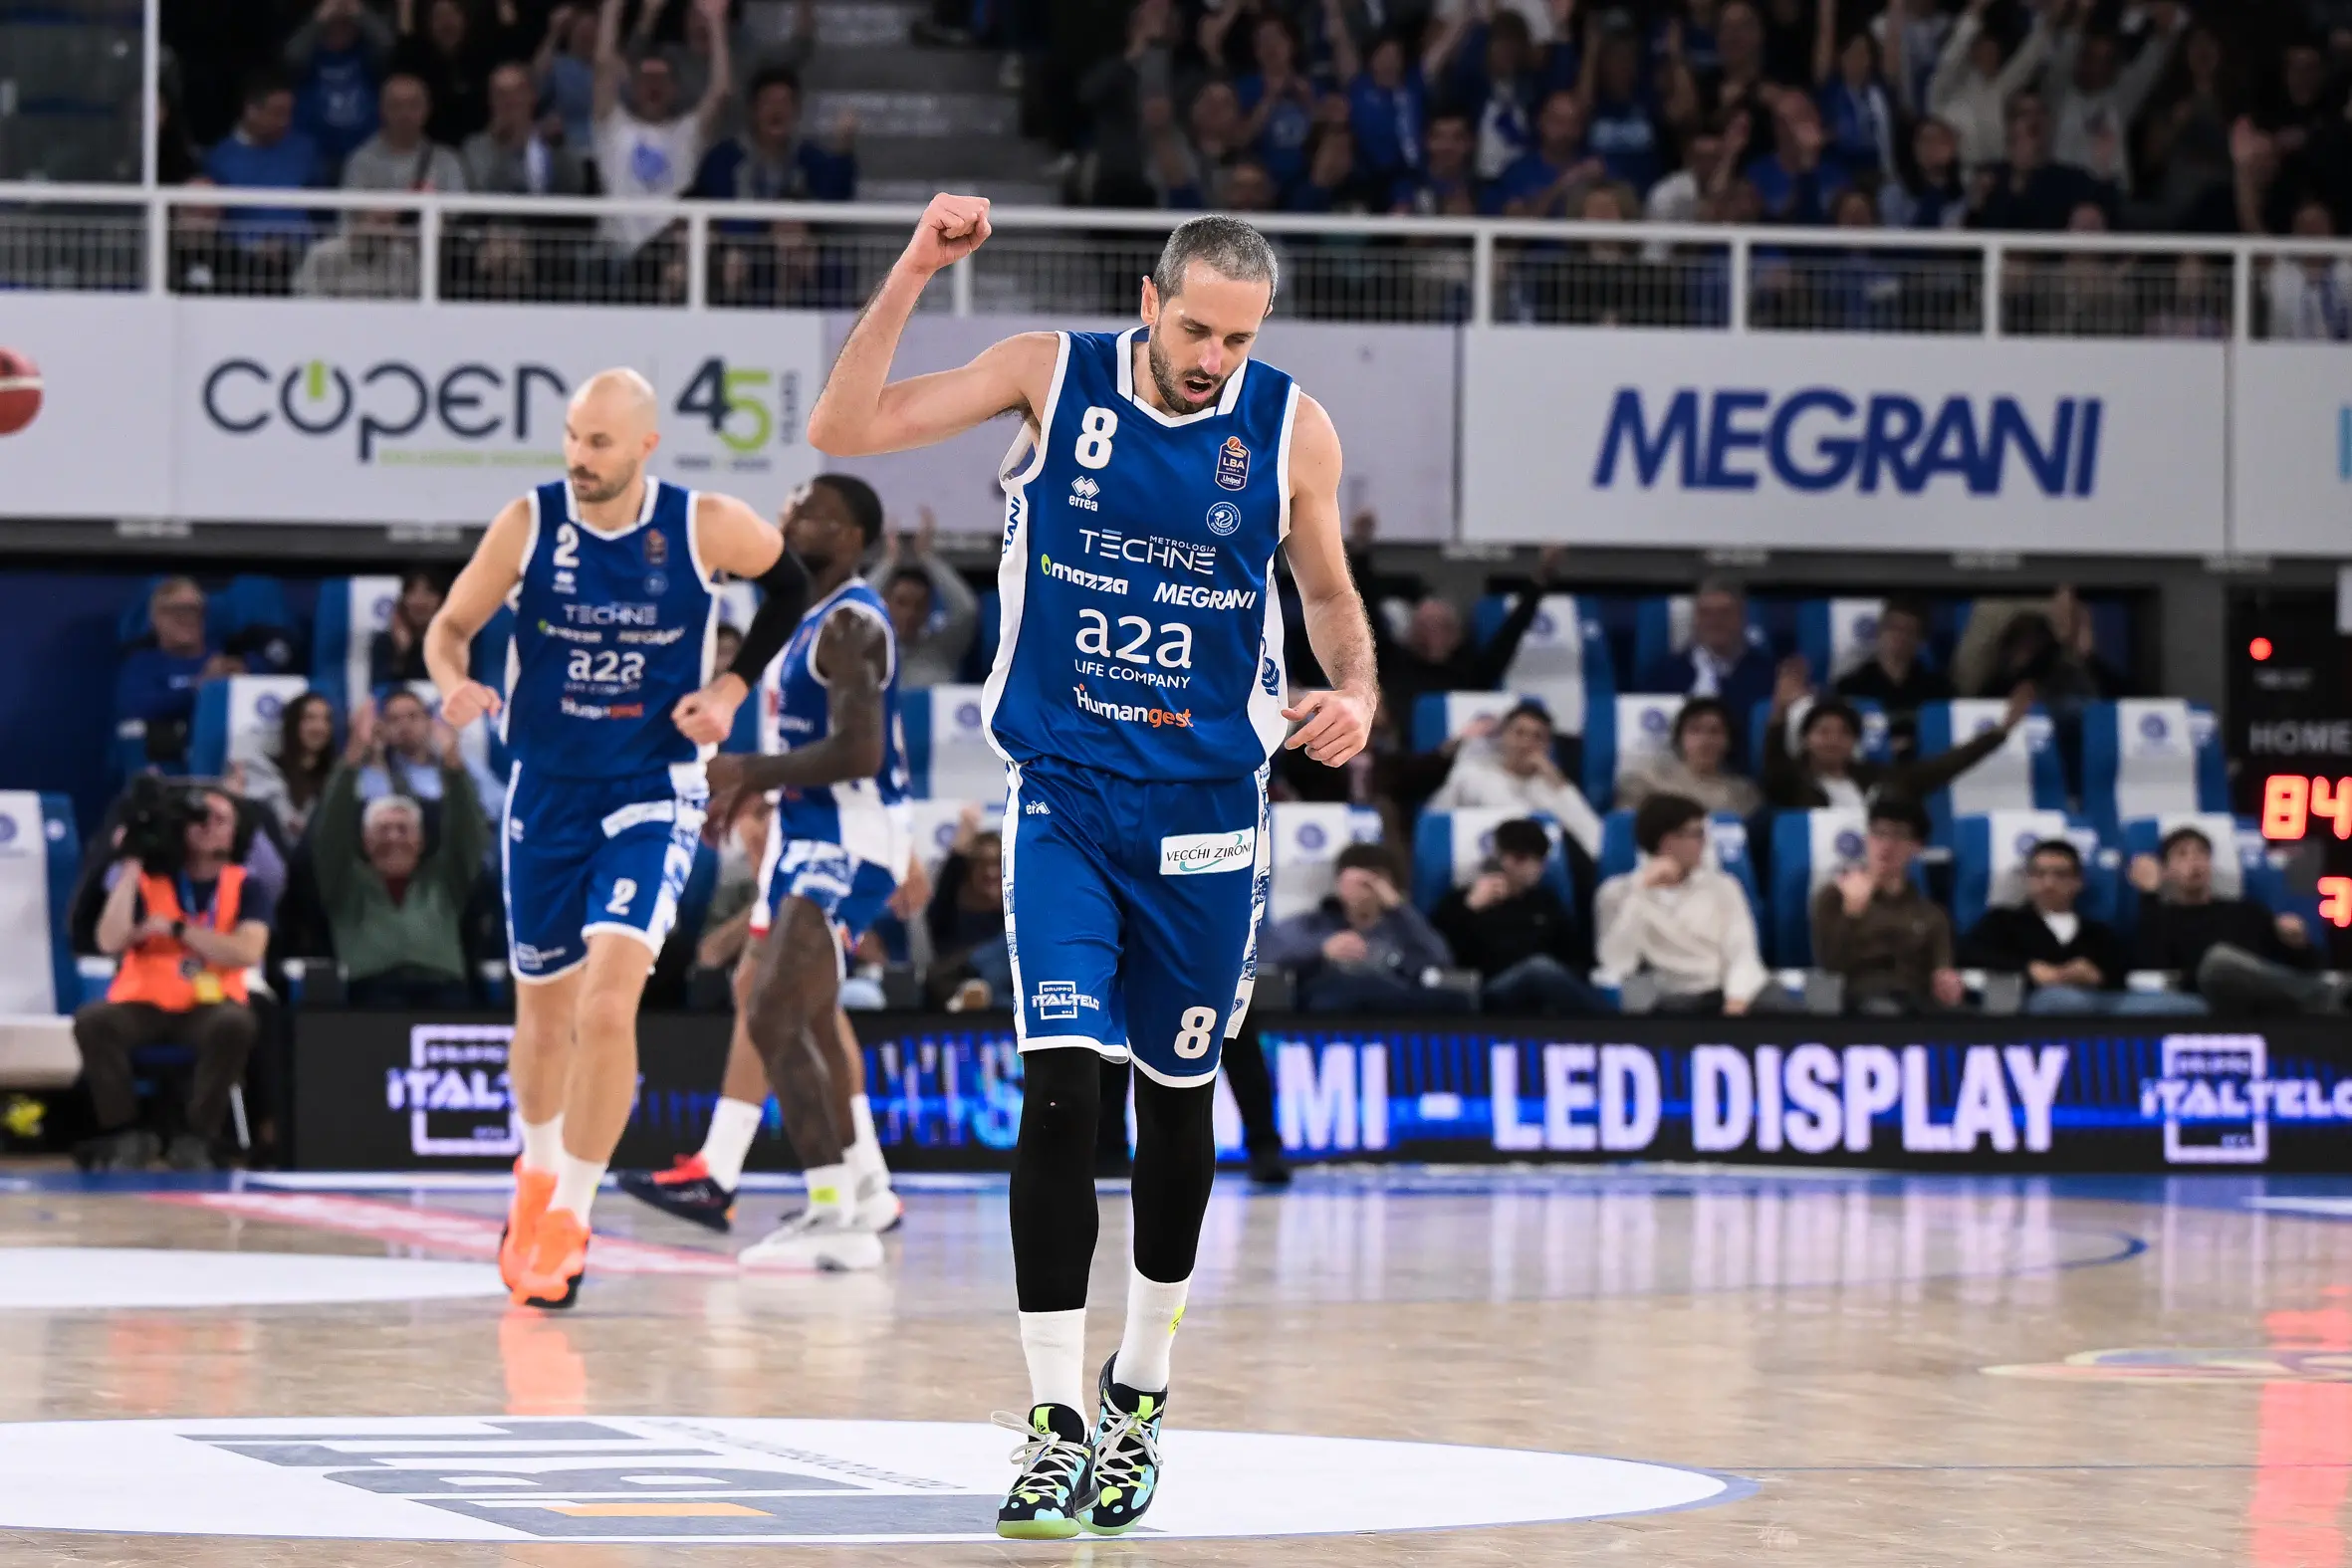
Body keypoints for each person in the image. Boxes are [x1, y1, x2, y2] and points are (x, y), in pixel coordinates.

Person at [802, 198, 1378, 1538]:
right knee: (1062, 1092)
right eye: (1194, 325)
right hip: (1061, 796)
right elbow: (843, 431)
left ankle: (1143, 1391)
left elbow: (1332, 590)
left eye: (1238, 334)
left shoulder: (1290, 425)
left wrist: (1350, 687)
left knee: (1178, 1105)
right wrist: (917, 268)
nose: (1212, 354)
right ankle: (1054, 1421)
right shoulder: (1047, 374)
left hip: (1207, 815)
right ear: (1146, 296)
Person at [423, 367, 815, 1311]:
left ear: (645, 445)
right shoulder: (529, 522)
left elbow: (790, 584)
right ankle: (538, 1170)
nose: (578, 457)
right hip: (546, 792)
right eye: (570, 436)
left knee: (606, 1008)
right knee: (543, 1016)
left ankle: (571, 1213)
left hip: (652, 788)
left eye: (598, 442)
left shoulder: (703, 523)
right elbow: (450, 626)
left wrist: (728, 690)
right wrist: (452, 682)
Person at [619, 476, 911, 1263]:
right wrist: (755, 785)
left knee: (773, 1010)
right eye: (787, 507)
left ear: (852, 537)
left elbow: (862, 751)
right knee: (803, 1014)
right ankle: (857, 1195)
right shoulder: (805, 618)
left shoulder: (850, 622)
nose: (789, 518)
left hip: (847, 840)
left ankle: (831, 1207)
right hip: (809, 835)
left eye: (810, 511)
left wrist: (748, 766)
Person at [74, 786, 273, 1171]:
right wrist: (130, 865)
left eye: (221, 820)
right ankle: (126, 1132)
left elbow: (247, 951)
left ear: (234, 834)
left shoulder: (246, 884)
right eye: (200, 818)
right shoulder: (150, 881)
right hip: (144, 1006)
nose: (208, 826)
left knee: (236, 1022)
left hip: (208, 1007)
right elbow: (108, 940)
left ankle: (198, 1136)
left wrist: (177, 930)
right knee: (93, 1021)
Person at [313, 708, 486, 1008]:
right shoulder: (345, 881)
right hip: (372, 990)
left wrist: (452, 762)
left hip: (445, 989)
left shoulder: (446, 880)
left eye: (403, 829)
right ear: (365, 841)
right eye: (383, 830)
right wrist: (353, 756)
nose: (394, 838)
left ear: (421, 840)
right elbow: (331, 829)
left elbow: (467, 831)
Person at [2130, 826, 2343, 1015]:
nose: (2194, 862)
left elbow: (2310, 965)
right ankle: (2331, 995)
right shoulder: (2163, 918)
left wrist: (2299, 944)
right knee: (2218, 960)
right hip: (2213, 996)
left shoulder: (2246, 911)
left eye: (2201, 853)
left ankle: (2330, 993)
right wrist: (2149, 895)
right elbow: (2151, 966)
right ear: (2166, 871)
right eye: (2182, 855)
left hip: (2266, 998)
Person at [1595, 792, 1774, 1014]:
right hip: (1670, 998)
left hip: (1726, 993)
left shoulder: (1724, 887)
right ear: (1667, 841)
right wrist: (1641, 892)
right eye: (1697, 834)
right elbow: (1618, 962)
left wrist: (1736, 1001)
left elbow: (1742, 952)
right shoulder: (1618, 892)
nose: (1705, 843)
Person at [1961, 838, 2177, 1015]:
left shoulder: (2097, 931)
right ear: (2028, 879)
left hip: (2102, 1001)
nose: (2049, 883)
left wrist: (2097, 976)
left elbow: (2125, 969)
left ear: (2078, 881)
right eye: (2040, 874)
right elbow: (1971, 953)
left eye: (2060, 875)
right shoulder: (2003, 920)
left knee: (2182, 1007)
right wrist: (2030, 968)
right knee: (2065, 1001)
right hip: (2033, 1002)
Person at [592, 0, 734, 259]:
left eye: (661, 79)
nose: (653, 86)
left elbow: (721, 91)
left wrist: (715, 23)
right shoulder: (613, 125)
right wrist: (613, 7)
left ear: (675, 89)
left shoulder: (687, 132)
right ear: (633, 86)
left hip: (672, 252)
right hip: (618, 254)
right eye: (646, 78)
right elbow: (603, 63)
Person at [1763, 679, 2031, 812]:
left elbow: (1942, 767)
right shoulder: (1791, 781)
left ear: (1855, 742)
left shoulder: (1880, 778)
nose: (1833, 740)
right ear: (1805, 740)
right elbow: (1772, 765)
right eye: (1823, 732)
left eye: (1844, 733)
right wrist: (1779, 713)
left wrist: (2000, 732)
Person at [1260, 842, 1460, 1013]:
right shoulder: (1312, 924)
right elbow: (1268, 956)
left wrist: (1399, 908)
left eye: (1372, 883)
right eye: (1354, 883)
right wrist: (1321, 950)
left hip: (1395, 998)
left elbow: (1440, 959)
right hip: (1333, 1000)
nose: (1362, 891)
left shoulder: (1404, 926)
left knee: (1452, 999)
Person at [1431, 816, 1602, 1015]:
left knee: (1545, 972)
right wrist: (1470, 909)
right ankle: (1614, 1027)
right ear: (1500, 857)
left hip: (1544, 993)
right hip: (1486, 991)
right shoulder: (1460, 901)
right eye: (1520, 858)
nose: (1532, 867)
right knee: (1539, 969)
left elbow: (1574, 956)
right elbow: (1439, 957)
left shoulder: (1546, 903)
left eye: (1538, 859)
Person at [1811, 795, 1965, 1014]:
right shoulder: (1836, 896)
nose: (1886, 845)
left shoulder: (1932, 914)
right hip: (1862, 1002)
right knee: (1885, 1011)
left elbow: (1942, 969)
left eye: (1899, 835)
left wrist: (1947, 983)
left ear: (1916, 847)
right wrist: (1852, 913)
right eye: (1879, 833)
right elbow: (1830, 965)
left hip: (1918, 1001)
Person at [1426, 700, 1603, 858]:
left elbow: (1595, 839)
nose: (1526, 743)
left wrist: (1558, 783)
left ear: (1548, 746)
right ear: (1504, 736)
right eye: (1519, 733)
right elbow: (1435, 822)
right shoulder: (1471, 774)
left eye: (1537, 737)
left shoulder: (1553, 787)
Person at [116, 577, 237, 767]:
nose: (187, 618)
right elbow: (137, 707)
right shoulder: (143, 664)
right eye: (176, 611)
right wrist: (203, 688)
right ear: (155, 619)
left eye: (194, 610)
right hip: (164, 765)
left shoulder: (226, 661)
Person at [1635, 577, 1776, 740]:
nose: (1715, 622)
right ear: (1695, 618)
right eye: (1706, 613)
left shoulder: (1769, 676)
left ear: (1742, 618)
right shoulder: (1662, 675)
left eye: (1724, 613)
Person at [1831, 596, 1952, 754]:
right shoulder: (1850, 687)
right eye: (1893, 628)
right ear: (1879, 632)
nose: (1899, 637)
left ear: (1921, 640)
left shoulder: (1939, 688)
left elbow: (1943, 736)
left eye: (1908, 631)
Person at [877, 507, 980, 689]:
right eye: (901, 603)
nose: (910, 613)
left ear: (928, 610)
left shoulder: (943, 648)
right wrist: (888, 562)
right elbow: (852, 609)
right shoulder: (867, 647)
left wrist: (927, 557)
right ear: (885, 603)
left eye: (919, 605)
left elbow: (967, 610)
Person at [1612, 697, 1764, 817]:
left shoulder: (1743, 793)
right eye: (1695, 730)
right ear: (1679, 738)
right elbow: (1625, 825)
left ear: (1728, 741)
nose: (1705, 740)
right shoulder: (1647, 778)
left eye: (1715, 731)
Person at [462, 61, 590, 196]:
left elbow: (577, 183)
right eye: (501, 93)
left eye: (517, 91)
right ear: (490, 100)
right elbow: (484, 193)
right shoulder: (475, 146)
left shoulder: (551, 138)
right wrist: (504, 146)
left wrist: (556, 149)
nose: (509, 100)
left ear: (532, 95)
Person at [341, 73, 466, 192]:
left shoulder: (447, 162)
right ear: (382, 110)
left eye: (413, 105)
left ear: (427, 109)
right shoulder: (361, 162)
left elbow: (462, 212)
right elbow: (346, 213)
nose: (405, 114)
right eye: (396, 105)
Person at [241, 689, 338, 838]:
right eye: (310, 718)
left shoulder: (335, 775)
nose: (320, 727)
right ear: (293, 724)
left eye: (326, 720)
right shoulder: (268, 770)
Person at [369, 570, 445, 688]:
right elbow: (380, 690)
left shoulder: (457, 642)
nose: (420, 601)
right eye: (412, 592)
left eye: (429, 591)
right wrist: (401, 654)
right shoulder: (384, 642)